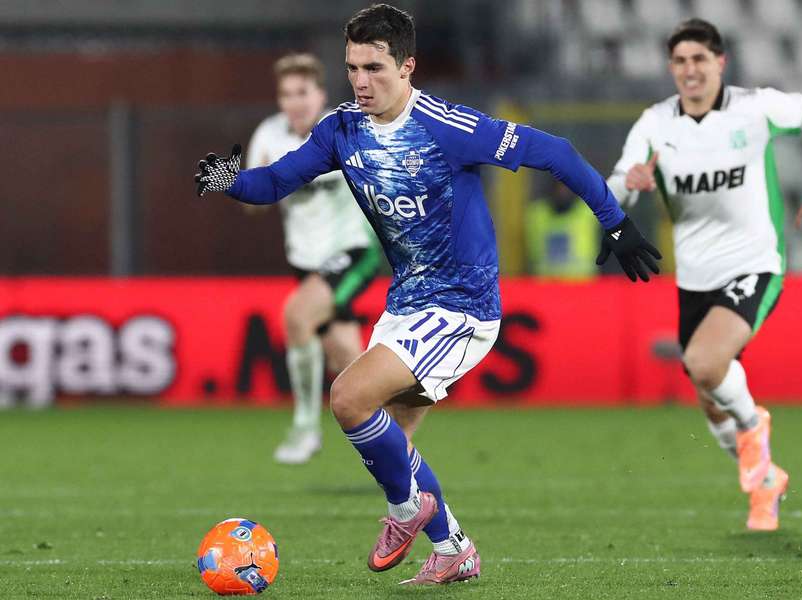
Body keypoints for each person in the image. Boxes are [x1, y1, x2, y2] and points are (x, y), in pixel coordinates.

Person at [196, 3, 660, 584]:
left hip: (463, 308)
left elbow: (557, 154)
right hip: (406, 305)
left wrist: (615, 223)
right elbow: (277, 181)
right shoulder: (341, 129)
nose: (361, 82)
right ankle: (452, 547)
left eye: (375, 68)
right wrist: (228, 179)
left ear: (408, 66)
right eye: (353, 68)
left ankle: (405, 510)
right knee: (391, 439)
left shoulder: (450, 127)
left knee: (348, 399)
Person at [607, 18, 802, 531]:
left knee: (705, 363)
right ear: (671, 69)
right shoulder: (655, 122)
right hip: (695, 277)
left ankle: (755, 424)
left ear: (720, 63)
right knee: (712, 401)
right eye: (680, 61)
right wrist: (630, 181)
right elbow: (614, 188)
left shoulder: (754, 108)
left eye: (699, 59)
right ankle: (765, 485)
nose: (689, 70)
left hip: (755, 262)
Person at [246, 53, 381, 465]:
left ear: (319, 94)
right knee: (353, 369)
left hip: (353, 252)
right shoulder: (269, 135)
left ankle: (305, 427)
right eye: (286, 94)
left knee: (297, 316)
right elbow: (253, 205)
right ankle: (396, 441)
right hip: (305, 261)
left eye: (302, 92)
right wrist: (258, 184)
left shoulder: (343, 130)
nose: (295, 102)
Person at [525, 180, 601, 278]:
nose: (562, 192)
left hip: (581, 284)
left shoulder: (589, 212)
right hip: (546, 284)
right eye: (559, 187)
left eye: (566, 188)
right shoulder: (537, 213)